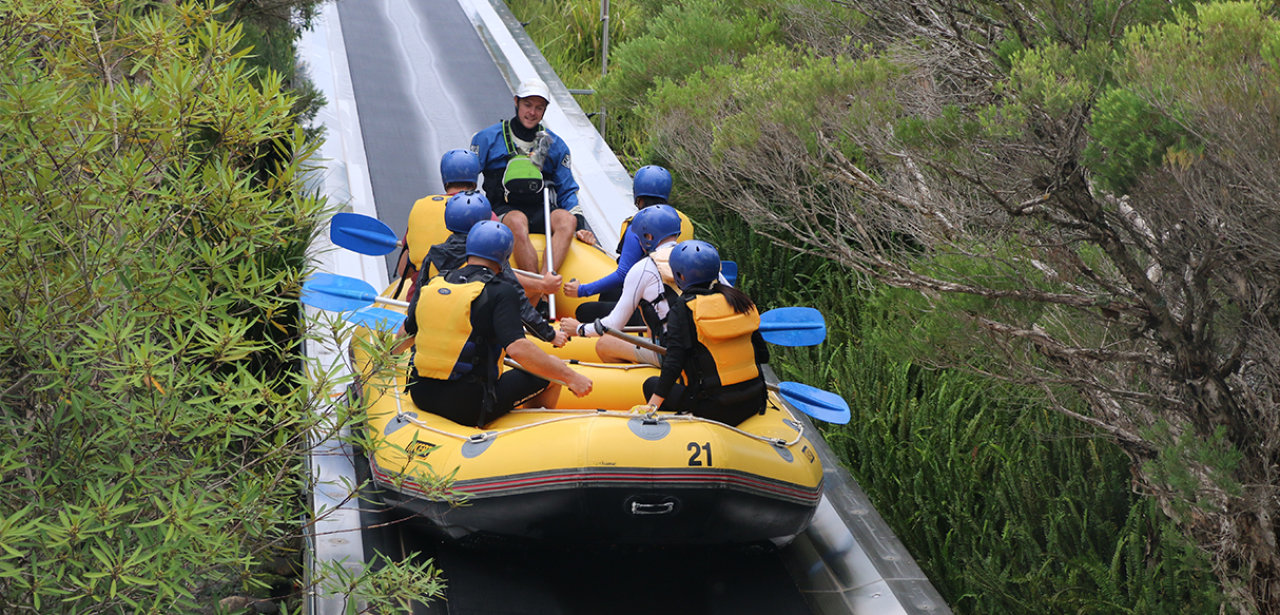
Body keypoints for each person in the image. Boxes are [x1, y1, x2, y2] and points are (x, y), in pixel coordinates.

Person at [404, 221, 591, 427]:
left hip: (420, 393)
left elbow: (406, 333)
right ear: (505, 257)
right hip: (466, 405)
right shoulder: (501, 291)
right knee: (552, 371)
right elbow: (518, 348)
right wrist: (570, 376)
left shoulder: (435, 283)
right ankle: (533, 434)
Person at [470, 79, 594, 294]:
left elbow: (567, 190)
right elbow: (469, 180)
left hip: (540, 209)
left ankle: (544, 289)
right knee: (518, 220)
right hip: (504, 209)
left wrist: (581, 225)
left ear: (545, 110)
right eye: (528, 105)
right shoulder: (487, 138)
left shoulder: (553, 144)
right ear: (516, 102)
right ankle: (535, 292)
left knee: (567, 219)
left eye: (539, 107)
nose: (532, 112)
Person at [397, 149, 560, 303]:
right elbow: (501, 271)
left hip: (419, 300)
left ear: (445, 178)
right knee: (523, 294)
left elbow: (404, 270)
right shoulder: (484, 211)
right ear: (474, 181)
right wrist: (542, 286)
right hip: (468, 304)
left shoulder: (420, 207)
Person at [408, 191, 567, 347]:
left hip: (435, 329)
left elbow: (417, 301)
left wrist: (411, 330)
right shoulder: (490, 255)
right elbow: (519, 302)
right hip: (475, 337)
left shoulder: (433, 254)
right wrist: (550, 334)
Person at [640, 240, 768, 427]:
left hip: (716, 408)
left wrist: (651, 407)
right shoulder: (740, 300)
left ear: (679, 276)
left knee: (650, 384)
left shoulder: (684, 309)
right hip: (754, 401)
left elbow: (673, 364)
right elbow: (763, 355)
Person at [564, 165, 693, 322]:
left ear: (638, 195)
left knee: (584, 311)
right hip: (679, 298)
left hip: (653, 306)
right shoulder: (684, 221)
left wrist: (582, 290)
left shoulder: (638, 226)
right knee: (610, 293)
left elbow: (623, 274)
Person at [560, 205, 683, 366]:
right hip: (705, 348)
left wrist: (578, 329)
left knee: (605, 343)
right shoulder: (703, 259)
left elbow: (612, 325)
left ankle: (643, 376)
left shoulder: (643, 267)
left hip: (675, 355)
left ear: (648, 236)